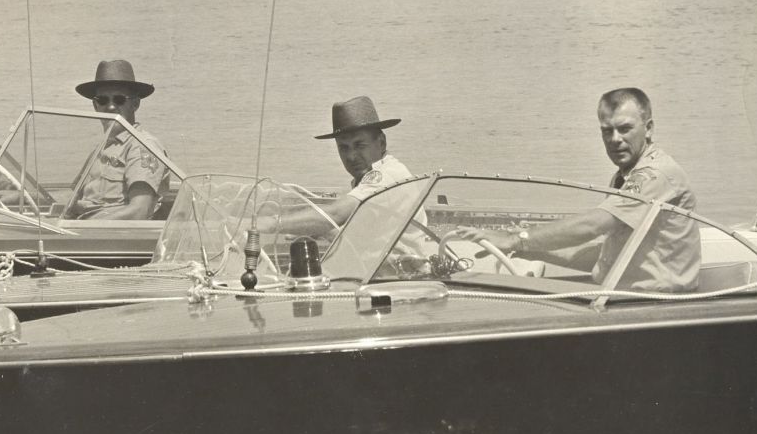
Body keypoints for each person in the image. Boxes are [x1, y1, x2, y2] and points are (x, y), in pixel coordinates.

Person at [456, 87, 700, 293]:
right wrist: (528, 250)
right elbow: (603, 257)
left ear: (648, 129)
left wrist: (516, 240)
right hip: (626, 299)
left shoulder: (654, 175)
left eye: (625, 129)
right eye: (607, 131)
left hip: (659, 307)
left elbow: (594, 224)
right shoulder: (624, 176)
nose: (615, 139)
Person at [262, 95, 420, 238]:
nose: (351, 156)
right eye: (344, 148)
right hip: (383, 266)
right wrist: (319, 231)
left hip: (404, 268)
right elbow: (359, 235)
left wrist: (268, 224)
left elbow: (336, 214)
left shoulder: (386, 176)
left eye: (359, 145)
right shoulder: (367, 178)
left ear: (381, 143)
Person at [67, 59, 170, 220]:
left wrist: (88, 225)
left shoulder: (143, 146)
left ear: (135, 104)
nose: (110, 106)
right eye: (103, 100)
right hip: (83, 229)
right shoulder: (101, 148)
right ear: (95, 106)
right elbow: (72, 201)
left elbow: (139, 211)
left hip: (115, 236)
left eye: (119, 99)